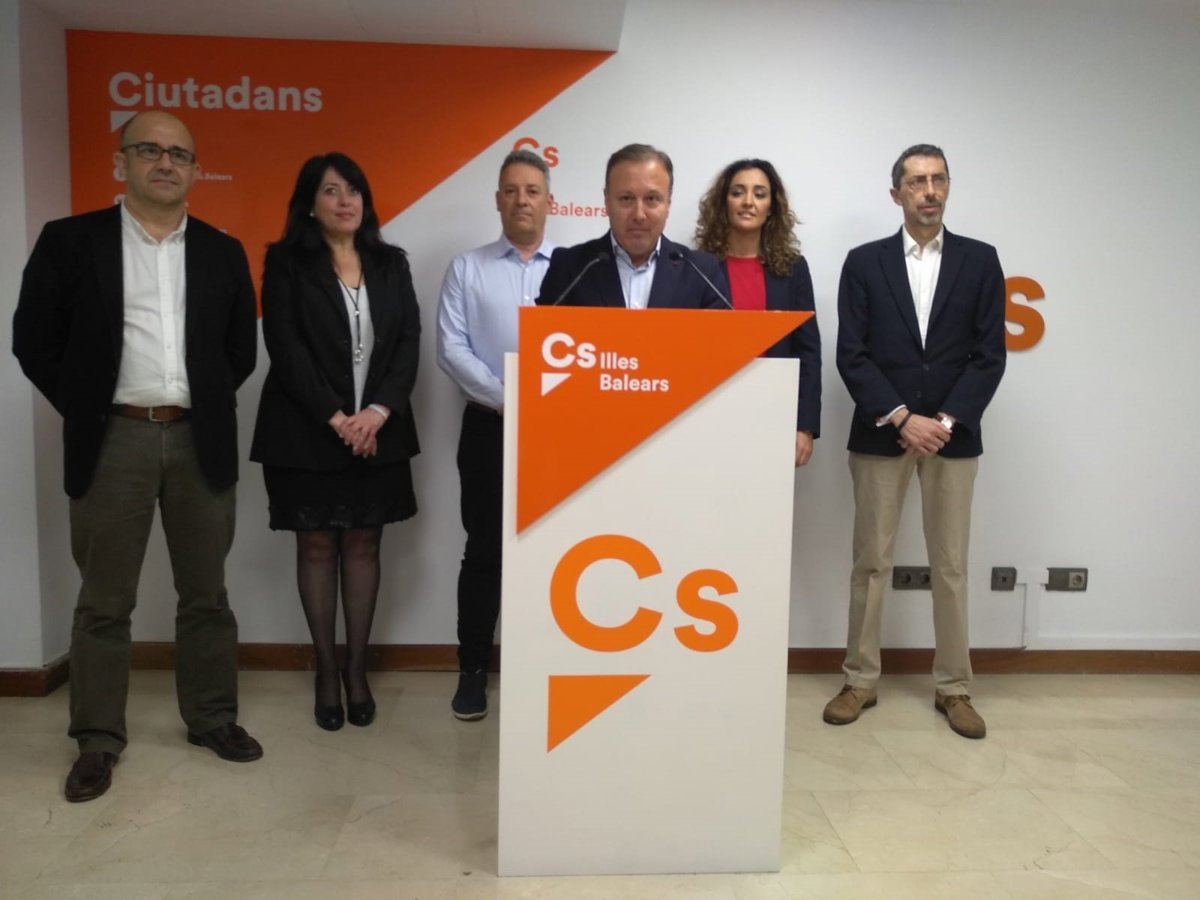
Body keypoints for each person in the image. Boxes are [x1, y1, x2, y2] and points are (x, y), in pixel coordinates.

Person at [12, 111, 262, 802]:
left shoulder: (221, 251)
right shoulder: (70, 242)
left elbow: (239, 352)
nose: (165, 162)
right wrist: (88, 403)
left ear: (195, 169)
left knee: (206, 595)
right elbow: (34, 340)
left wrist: (199, 400)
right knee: (104, 602)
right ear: (121, 162)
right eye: (149, 149)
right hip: (112, 438)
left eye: (179, 153)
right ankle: (97, 739)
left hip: (198, 438)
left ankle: (211, 717)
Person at [825, 144, 1006, 739]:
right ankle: (859, 680)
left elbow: (989, 356)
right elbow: (852, 353)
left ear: (948, 187)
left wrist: (943, 421)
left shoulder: (981, 260)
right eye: (917, 181)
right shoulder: (864, 262)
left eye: (938, 179)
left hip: (952, 437)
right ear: (896, 193)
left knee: (950, 566)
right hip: (882, 433)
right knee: (871, 562)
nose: (929, 191)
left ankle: (954, 688)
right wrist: (903, 417)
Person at [250, 153, 420, 732]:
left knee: (366, 545)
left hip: (379, 429)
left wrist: (375, 414)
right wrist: (338, 418)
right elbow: (285, 347)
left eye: (353, 190)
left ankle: (356, 670)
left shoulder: (391, 263)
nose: (345, 201)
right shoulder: (286, 263)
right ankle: (325, 670)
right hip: (306, 430)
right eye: (330, 191)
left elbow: (408, 342)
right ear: (309, 203)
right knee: (318, 548)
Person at [436, 149, 555, 720]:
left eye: (532, 190)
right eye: (511, 190)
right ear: (498, 200)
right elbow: (451, 348)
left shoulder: (576, 268)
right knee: (485, 552)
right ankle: (474, 670)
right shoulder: (468, 268)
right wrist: (511, 400)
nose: (521, 200)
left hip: (561, 433)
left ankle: (545, 669)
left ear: (550, 201)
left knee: (554, 552)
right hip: (490, 427)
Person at [694, 159, 821, 465]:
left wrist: (804, 426)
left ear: (771, 207)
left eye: (760, 194)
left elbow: (808, 352)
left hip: (774, 412)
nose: (748, 202)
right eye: (738, 192)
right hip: (710, 414)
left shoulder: (793, 269)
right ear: (723, 202)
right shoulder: (697, 267)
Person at [536, 143, 728, 309]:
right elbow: (544, 336)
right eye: (626, 198)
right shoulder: (570, 268)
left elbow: (721, 338)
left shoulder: (702, 272)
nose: (639, 215)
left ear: (668, 203)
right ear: (607, 201)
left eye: (651, 199)